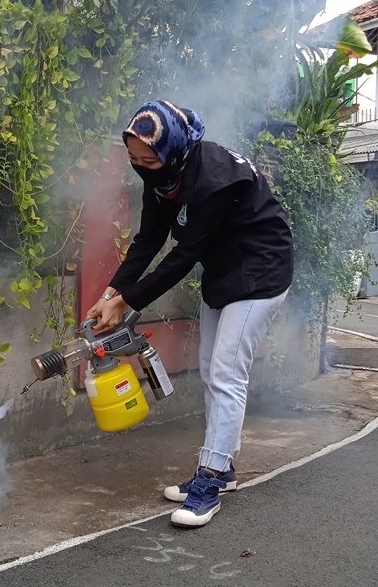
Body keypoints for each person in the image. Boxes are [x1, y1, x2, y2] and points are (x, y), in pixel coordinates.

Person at [85, 100, 294, 529]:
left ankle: (210, 479)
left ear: (173, 150)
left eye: (149, 160)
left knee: (227, 373)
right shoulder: (165, 177)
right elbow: (147, 241)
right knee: (210, 369)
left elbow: (183, 257)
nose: (142, 168)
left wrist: (126, 303)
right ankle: (223, 467)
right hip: (225, 272)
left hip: (260, 273)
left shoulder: (214, 180)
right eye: (134, 160)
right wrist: (110, 293)